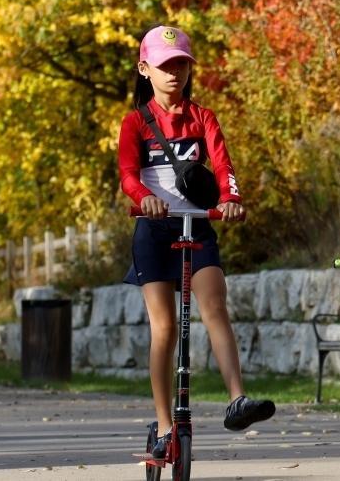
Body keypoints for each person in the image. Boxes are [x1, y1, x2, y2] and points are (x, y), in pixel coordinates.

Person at [118, 25, 275, 458]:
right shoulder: (135, 122)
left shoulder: (202, 117)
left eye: (182, 64)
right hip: (153, 230)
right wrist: (144, 198)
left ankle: (236, 399)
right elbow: (128, 173)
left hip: (196, 225)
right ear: (145, 69)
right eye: (166, 66)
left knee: (215, 307)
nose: (174, 73)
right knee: (164, 328)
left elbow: (223, 166)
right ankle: (166, 425)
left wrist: (231, 200)